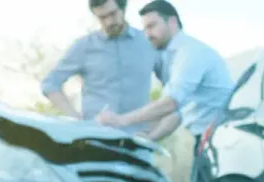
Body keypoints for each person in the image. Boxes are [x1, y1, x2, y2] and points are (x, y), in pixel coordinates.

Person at [96, 0, 235, 153]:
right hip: (208, 139)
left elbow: (170, 103)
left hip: (223, 139)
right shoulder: (173, 57)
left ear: (172, 22)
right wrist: (150, 137)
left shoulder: (190, 53)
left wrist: (120, 120)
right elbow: (176, 113)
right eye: (145, 29)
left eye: (152, 26)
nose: (147, 35)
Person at [40, 0, 161, 134]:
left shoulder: (148, 42)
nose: (109, 22)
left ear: (123, 8)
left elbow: (173, 87)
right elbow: (50, 83)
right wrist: (75, 119)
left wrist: (155, 127)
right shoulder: (85, 46)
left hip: (139, 141)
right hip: (95, 138)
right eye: (102, 17)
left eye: (112, 14)